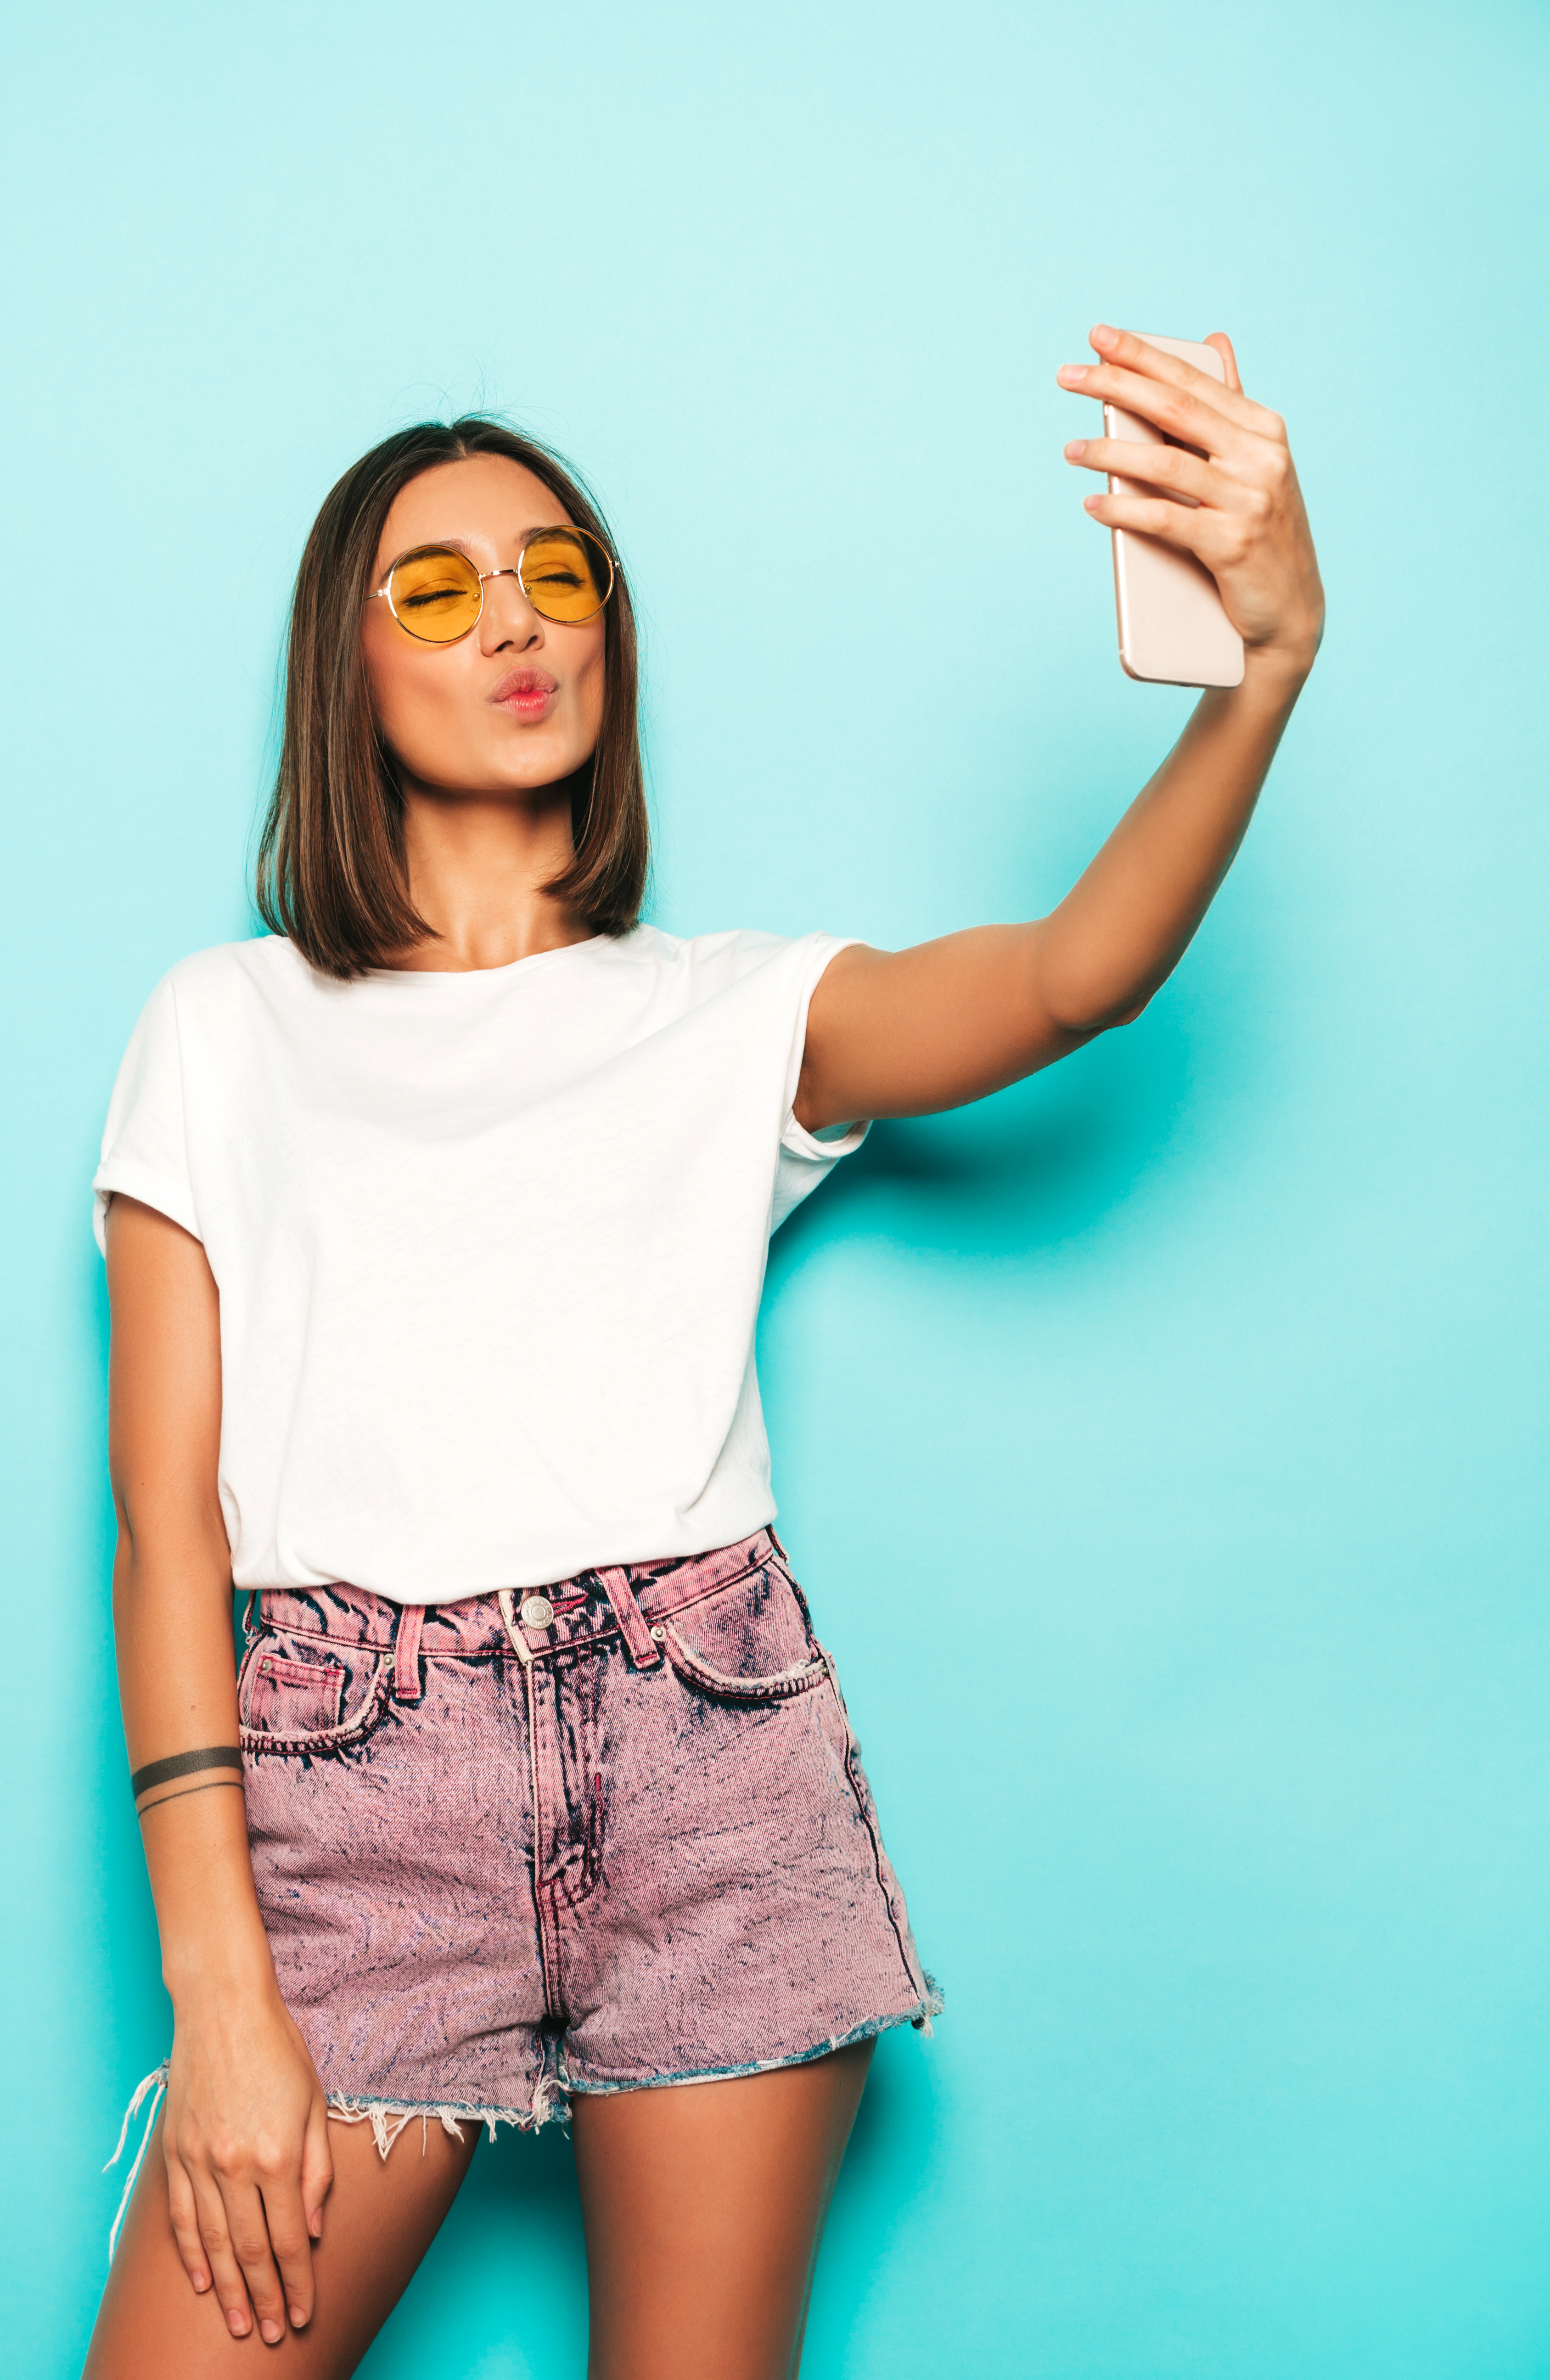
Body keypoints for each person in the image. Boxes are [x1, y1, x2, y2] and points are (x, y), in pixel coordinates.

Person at [82, 326, 1322, 2378]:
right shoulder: (222, 1028)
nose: (516, 623)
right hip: (352, 1788)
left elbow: (1073, 978)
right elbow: (159, 1531)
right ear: (348, 657)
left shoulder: (734, 1011)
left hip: (703, 1760)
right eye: (443, 584)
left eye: (560, 575)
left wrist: (1257, 677)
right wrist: (221, 1989)